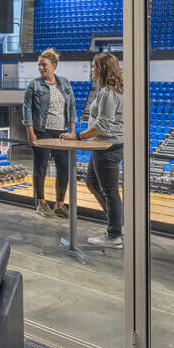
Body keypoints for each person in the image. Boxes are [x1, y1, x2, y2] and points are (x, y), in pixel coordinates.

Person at [63, 51, 125, 250]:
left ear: (102, 69)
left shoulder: (108, 92)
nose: (91, 70)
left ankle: (115, 234)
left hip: (107, 146)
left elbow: (103, 126)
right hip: (105, 145)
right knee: (92, 182)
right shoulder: (114, 90)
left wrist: (79, 136)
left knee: (109, 191)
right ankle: (117, 226)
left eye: (94, 66)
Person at [22, 48, 75, 218]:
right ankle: (42, 204)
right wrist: (31, 133)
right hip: (41, 131)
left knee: (64, 169)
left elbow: (72, 107)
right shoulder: (34, 85)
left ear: (54, 66)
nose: (41, 68)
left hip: (61, 133)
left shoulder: (65, 83)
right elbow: (27, 109)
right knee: (40, 169)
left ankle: (59, 204)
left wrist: (72, 132)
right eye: (39, 65)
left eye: (44, 65)